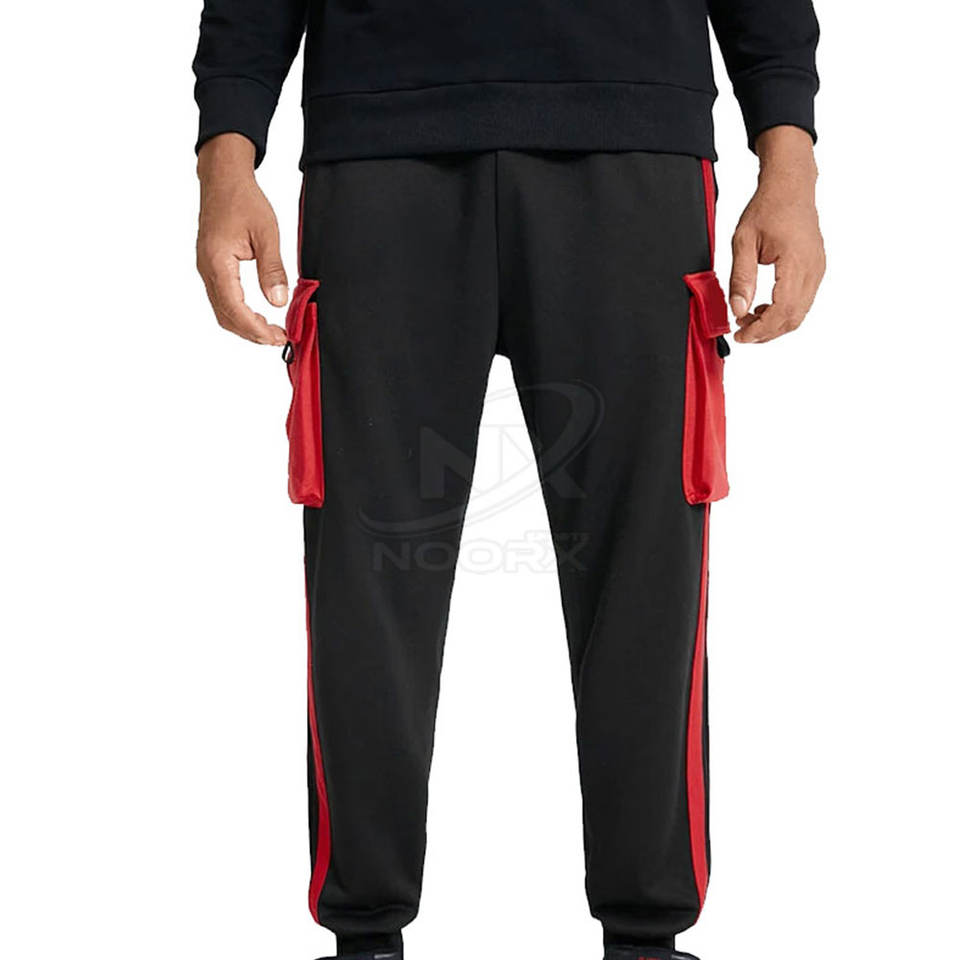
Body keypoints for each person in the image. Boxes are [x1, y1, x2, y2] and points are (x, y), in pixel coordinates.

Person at [192, 0, 824, 956]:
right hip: (380, 144)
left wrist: (790, 164)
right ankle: (364, 935)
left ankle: (646, 936)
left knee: (648, 556)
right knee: (369, 562)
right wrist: (225, 160)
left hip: (632, 141)